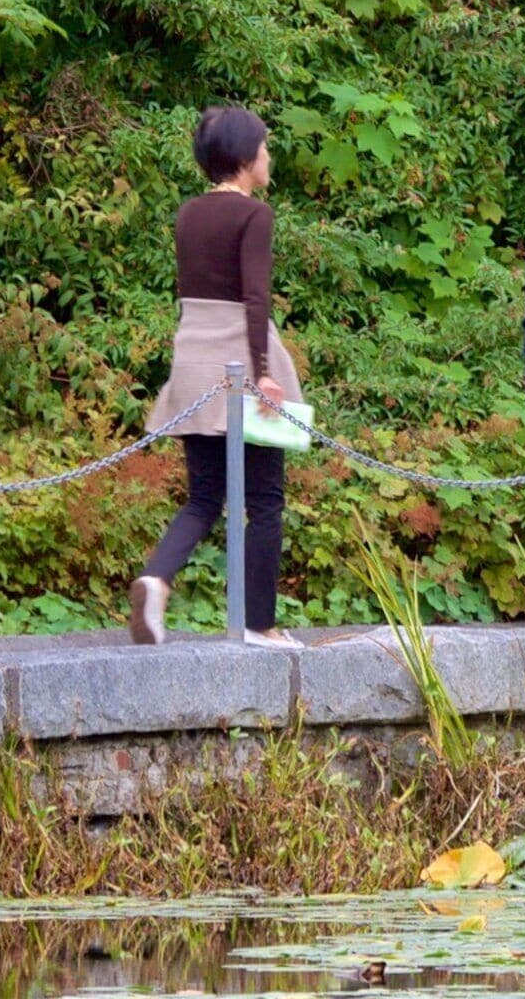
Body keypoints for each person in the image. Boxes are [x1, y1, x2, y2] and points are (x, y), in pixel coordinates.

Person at [132, 104, 307, 652]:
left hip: (193, 360)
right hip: (240, 359)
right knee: (266, 499)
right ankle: (260, 623)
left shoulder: (188, 214)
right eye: (264, 147)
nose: (269, 156)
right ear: (244, 157)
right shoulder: (255, 216)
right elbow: (255, 299)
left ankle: (156, 578)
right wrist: (262, 372)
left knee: (205, 496)